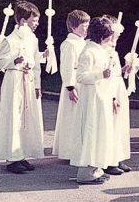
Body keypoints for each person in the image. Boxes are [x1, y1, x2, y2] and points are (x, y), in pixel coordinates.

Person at [0, 0, 47, 174]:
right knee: (14, 117)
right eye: (33, 21)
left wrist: (37, 84)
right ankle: (12, 157)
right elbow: (0, 62)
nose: (36, 24)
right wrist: (14, 61)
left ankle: (21, 153)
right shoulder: (10, 40)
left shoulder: (32, 38)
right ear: (22, 21)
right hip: (14, 80)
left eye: (37, 21)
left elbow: (35, 63)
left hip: (27, 80)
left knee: (26, 118)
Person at [70, 17, 117, 185]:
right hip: (92, 99)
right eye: (109, 34)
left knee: (99, 132)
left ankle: (96, 168)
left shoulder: (99, 49)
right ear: (102, 34)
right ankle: (85, 171)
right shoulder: (88, 51)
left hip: (101, 96)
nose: (111, 37)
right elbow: (81, 76)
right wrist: (100, 75)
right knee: (91, 132)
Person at [53, 10, 90, 161]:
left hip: (83, 83)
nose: (86, 29)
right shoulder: (69, 44)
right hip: (74, 85)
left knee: (80, 118)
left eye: (88, 26)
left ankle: (79, 148)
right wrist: (70, 86)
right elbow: (67, 66)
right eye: (83, 26)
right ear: (73, 27)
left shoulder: (84, 43)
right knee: (71, 117)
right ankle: (69, 150)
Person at [103, 14, 133, 175]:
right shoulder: (104, 50)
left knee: (120, 123)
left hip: (118, 86)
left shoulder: (113, 51)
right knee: (111, 124)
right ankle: (108, 160)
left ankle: (118, 156)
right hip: (110, 88)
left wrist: (124, 70)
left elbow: (115, 72)